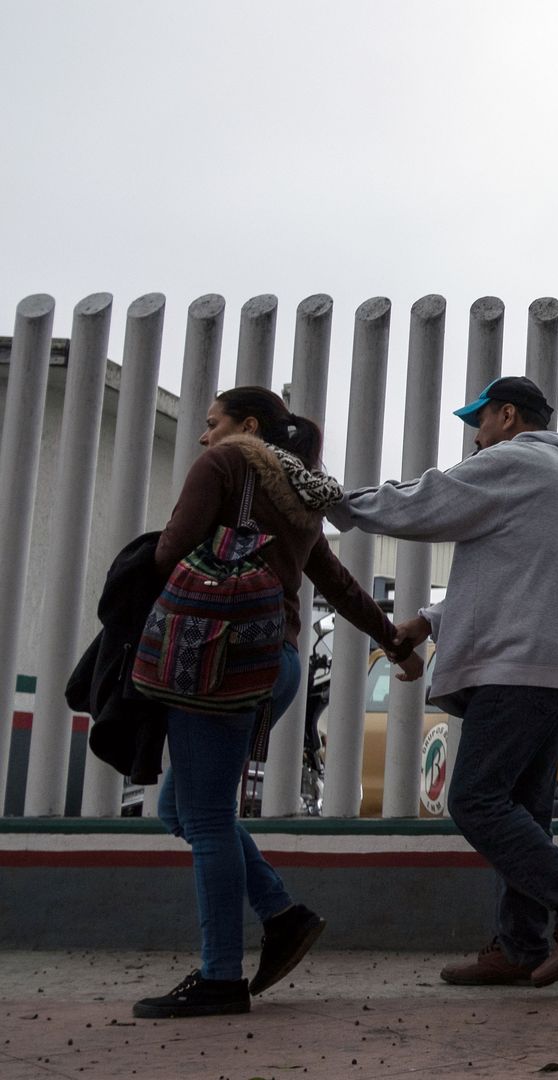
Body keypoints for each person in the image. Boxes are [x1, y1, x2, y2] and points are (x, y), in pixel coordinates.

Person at [327, 375, 558, 989]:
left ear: (509, 415)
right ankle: (520, 947)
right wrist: (429, 621)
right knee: (522, 811)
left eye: (481, 422)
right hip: (553, 665)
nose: (476, 437)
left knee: (476, 800)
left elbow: (426, 501)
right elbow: (514, 577)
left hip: (518, 667)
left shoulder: (516, 459)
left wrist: (336, 503)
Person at [135, 388, 417, 1019]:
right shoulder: (297, 491)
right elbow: (338, 583)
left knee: (202, 818)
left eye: (213, 424)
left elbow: (167, 553)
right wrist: (390, 641)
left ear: (248, 425)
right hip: (277, 663)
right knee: (179, 809)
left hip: (217, 660)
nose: (205, 437)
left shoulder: (223, 465)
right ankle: (283, 916)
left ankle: (220, 979)